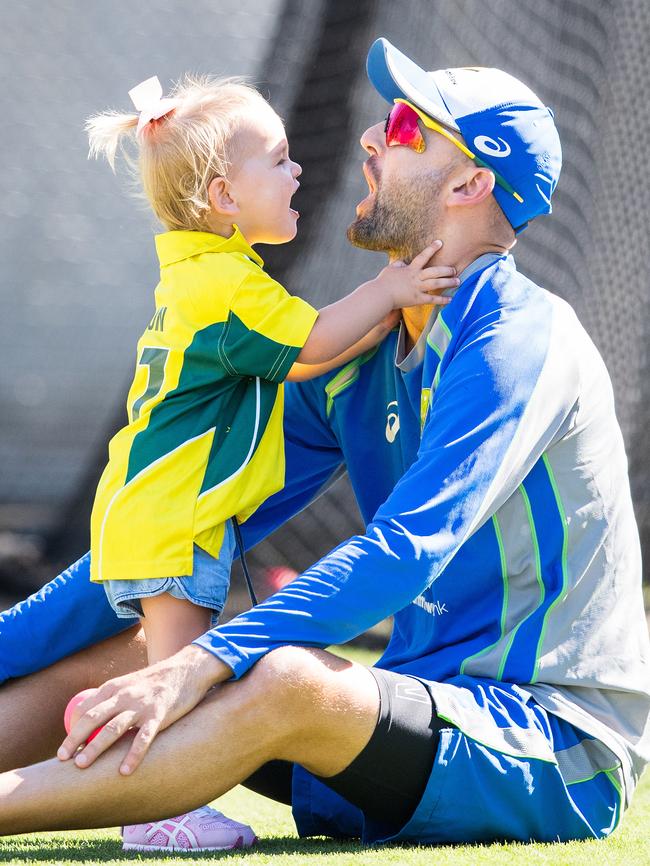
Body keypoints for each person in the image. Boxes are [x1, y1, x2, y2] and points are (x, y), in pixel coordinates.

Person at [0, 37, 648, 847]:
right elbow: (173, 531)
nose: (373, 140)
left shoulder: (519, 338)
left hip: (553, 750)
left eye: (408, 128)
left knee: (275, 673)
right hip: (408, 713)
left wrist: (201, 665)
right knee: (149, 635)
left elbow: (404, 550)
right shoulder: (363, 355)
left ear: (471, 184)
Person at [77, 72, 457, 852]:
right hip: (172, 518)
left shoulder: (208, 275)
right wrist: (392, 291)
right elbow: (312, 345)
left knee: (170, 666)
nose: (299, 172)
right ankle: (153, 808)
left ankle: (110, 733)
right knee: (174, 679)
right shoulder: (223, 286)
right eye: (280, 160)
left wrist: (378, 321)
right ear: (222, 195)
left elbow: (305, 360)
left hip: (157, 513)